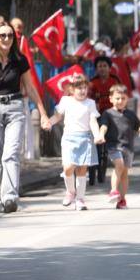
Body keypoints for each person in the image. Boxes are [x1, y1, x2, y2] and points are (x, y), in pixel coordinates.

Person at [0, 20, 51, 212]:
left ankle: (9, 198)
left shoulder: (20, 60)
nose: (6, 39)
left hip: (15, 107)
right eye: (2, 35)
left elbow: (30, 88)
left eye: (10, 35)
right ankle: (4, 195)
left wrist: (43, 113)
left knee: (10, 154)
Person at [49, 74, 104, 211]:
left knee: (81, 170)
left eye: (85, 88)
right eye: (79, 88)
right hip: (69, 138)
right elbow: (58, 116)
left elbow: (93, 121)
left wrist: (97, 135)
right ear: (72, 89)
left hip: (85, 138)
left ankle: (80, 199)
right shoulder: (66, 101)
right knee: (68, 167)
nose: (82, 91)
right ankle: (70, 191)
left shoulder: (90, 103)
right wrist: (49, 122)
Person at [101, 84, 140, 209]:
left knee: (124, 173)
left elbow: (138, 128)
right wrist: (101, 135)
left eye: (123, 98)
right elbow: (104, 126)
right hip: (113, 146)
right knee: (119, 164)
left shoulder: (130, 114)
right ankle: (113, 191)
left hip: (128, 147)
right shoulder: (107, 114)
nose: (120, 101)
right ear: (111, 99)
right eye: (117, 98)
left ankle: (122, 200)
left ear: (127, 99)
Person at [87, 56, 120, 186]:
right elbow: (88, 97)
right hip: (96, 115)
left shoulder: (115, 80)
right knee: (95, 142)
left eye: (104, 66)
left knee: (107, 143)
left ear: (109, 68)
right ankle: (92, 171)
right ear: (96, 69)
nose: (102, 69)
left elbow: (121, 95)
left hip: (111, 115)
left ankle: (103, 166)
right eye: (99, 66)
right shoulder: (92, 82)